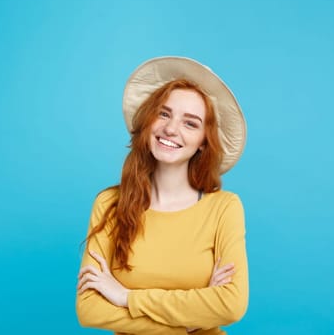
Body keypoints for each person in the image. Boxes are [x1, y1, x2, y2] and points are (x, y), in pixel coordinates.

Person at [76, 56, 249, 335]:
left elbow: (231, 305)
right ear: (149, 120)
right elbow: (89, 309)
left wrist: (126, 298)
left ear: (204, 141)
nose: (171, 129)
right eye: (164, 114)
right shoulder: (109, 204)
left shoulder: (224, 208)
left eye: (190, 123)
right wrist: (190, 322)